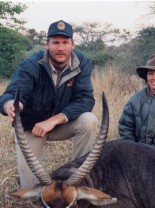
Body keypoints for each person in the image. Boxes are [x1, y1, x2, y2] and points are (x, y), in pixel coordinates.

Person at [0, 20, 97, 188]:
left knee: (89, 120)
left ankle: (78, 180)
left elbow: (85, 99)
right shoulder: (31, 64)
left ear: (73, 44)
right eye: (56, 42)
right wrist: (10, 104)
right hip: (33, 128)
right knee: (31, 191)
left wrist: (53, 120)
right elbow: (13, 92)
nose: (61, 48)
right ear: (47, 44)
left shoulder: (83, 62)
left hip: (61, 124)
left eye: (65, 42)